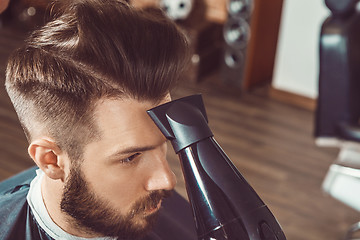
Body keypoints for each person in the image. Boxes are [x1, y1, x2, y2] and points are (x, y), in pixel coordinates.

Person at [0, 0, 196, 239]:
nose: (167, 180)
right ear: (51, 160)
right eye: (131, 157)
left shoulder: (184, 221)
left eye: (164, 144)